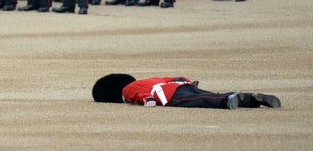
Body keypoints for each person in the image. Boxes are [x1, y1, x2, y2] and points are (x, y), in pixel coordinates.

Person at [93, 74, 281, 109]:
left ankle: (227, 101)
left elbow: (138, 94)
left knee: (203, 100)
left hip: (170, 95)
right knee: (210, 93)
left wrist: (148, 99)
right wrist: (186, 81)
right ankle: (251, 98)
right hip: (180, 84)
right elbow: (167, 78)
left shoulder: (127, 89)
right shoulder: (147, 79)